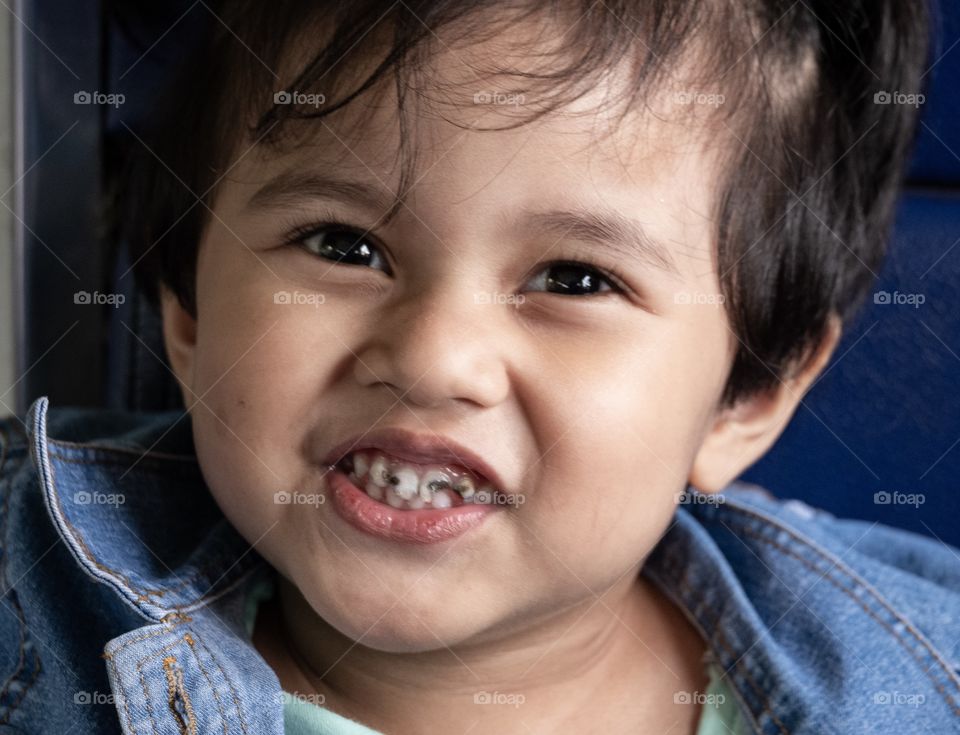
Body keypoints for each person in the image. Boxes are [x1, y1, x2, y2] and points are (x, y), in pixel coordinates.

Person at [2, 1, 956, 733]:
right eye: (340, 244)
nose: (432, 359)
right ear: (189, 314)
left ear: (748, 397)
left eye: (575, 278)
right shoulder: (30, 595)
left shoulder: (918, 678)